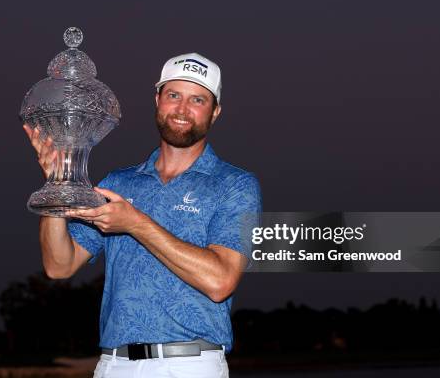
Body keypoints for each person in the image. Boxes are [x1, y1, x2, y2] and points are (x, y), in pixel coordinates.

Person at [23, 53, 262, 377]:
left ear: (215, 111)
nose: (182, 109)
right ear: (157, 100)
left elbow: (220, 281)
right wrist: (58, 184)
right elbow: (58, 266)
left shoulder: (236, 185)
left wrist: (135, 223)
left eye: (198, 100)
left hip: (190, 365)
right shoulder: (118, 183)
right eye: (173, 95)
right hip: (114, 364)